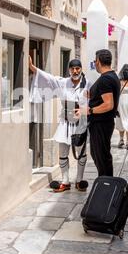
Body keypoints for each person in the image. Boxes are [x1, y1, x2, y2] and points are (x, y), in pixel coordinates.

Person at [29, 57, 91, 192]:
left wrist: (87, 111)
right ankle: (65, 181)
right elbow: (48, 78)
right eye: (73, 69)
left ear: (81, 69)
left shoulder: (88, 84)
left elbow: (94, 100)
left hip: (81, 123)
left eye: (77, 68)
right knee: (63, 153)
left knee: (81, 153)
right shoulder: (63, 82)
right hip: (65, 122)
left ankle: (79, 180)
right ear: (69, 70)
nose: (75, 71)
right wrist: (32, 67)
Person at [76, 49, 120, 177]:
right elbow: (104, 97)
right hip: (102, 123)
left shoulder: (105, 79)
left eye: (95, 61)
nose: (94, 63)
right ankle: (105, 183)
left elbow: (108, 104)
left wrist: (88, 110)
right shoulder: (110, 76)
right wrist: (91, 94)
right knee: (99, 155)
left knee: (101, 157)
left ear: (99, 61)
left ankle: (106, 186)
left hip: (101, 124)